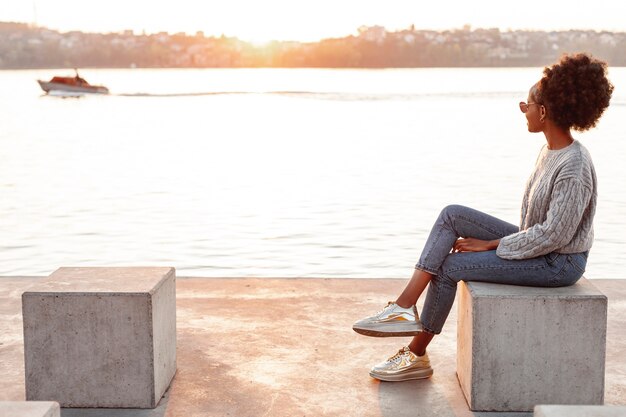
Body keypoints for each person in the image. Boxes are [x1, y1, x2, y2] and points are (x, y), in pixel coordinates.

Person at [352, 53, 614, 382]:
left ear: (544, 111)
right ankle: (404, 307)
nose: (523, 110)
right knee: (452, 216)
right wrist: (499, 243)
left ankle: (416, 355)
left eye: (527, 104)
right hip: (541, 246)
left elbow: (554, 236)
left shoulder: (573, 166)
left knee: (451, 267)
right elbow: (541, 231)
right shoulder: (550, 151)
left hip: (558, 264)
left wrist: (494, 244)